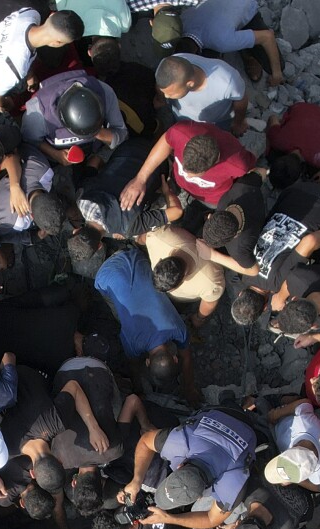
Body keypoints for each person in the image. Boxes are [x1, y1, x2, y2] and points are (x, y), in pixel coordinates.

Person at [125, 406, 256, 520]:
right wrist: (136, 480)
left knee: (227, 518)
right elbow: (145, 441)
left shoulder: (231, 487)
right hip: (219, 413)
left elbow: (212, 519)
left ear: (199, 496)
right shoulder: (179, 443)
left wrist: (169, 518)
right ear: (180, 466)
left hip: (249, 427)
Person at [93, 249, 193, 391]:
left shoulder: (177, 328)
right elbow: (133, 364)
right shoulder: (133, 343)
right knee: (122, 316)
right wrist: (190, 388)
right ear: (147, 361)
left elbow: (186, 355)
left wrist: (138, 389)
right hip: (104, 275)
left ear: (175, 357)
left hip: (133, 256)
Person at [0, 9, 85, 113]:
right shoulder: (16, 68)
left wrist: (30, 74)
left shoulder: (29, 14)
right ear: (57, 43)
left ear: (52, 16)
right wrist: (6, 104)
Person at [119, 122, 255, 211]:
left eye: (194, 174)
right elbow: (166, 141)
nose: (187, 175)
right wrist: (140, 179)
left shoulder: (237, 163)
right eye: (184, 168)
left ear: (216, 160)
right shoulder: (181, 132)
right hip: (178, 183)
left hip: (212, 200)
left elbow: (249, 174)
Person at [20, 70, 128, 164]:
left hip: (92, 150)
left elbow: (121, 133)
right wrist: (55, 155)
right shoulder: (37, 113)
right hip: (55, 156)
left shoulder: (105, 92)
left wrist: (97, 132)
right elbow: (31, 140)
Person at [250, 181, 320, 283]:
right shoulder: (241, 269)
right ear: (241, 294)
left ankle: (319, 275)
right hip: (296, 190)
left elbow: (310, 241)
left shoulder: (276, 284)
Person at [141, 225, 226, 325]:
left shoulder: (210, 282)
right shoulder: (158, 237)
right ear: (160, 260)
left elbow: (209, 302)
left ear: (182, 280)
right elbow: (143, 238)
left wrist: (199, 318)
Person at [154, 54, 247, 134]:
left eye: (172, 94)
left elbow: (241, 99)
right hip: (182, 116)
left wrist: (238, 123)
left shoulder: (226, 82)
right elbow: (161, 85)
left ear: (190, 84)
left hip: (217, 121)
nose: (167, 96)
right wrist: (161, 100)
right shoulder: (171, 64)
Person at [266, 102, 320, 186]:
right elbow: (273, 118)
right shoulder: (277, 140)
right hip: (300, 107)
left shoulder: (319, 158)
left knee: (315, 170)